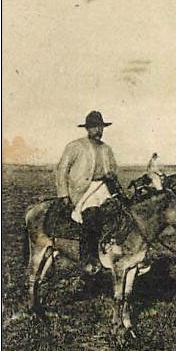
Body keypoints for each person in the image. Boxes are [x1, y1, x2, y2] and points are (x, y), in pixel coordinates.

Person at [55, 110, 119, 274]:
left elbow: (114, 170)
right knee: (92, 215)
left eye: (100, 127)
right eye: (94, 127)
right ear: (87, 129)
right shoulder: (75, 146)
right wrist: (64, 195)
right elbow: (62, 170)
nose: (98, 130)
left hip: (103, 188)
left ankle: (113, 253)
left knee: (118, 213)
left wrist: (112, 177)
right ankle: (89, 259)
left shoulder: (107, 149)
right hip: (83, 191)